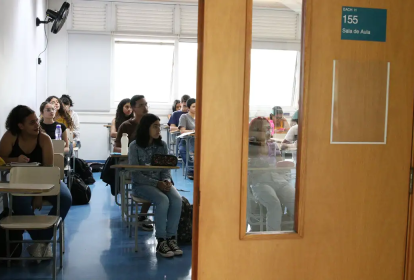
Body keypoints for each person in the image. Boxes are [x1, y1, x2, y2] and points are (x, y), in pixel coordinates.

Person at [0, 105, 72, 258]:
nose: (37, 125)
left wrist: (39, 194)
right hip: (20, 183)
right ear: (20, 126)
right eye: (31, 122)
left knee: (66, 198)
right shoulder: (10, 137)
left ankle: (41, 241)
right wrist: (15, 159)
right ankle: (43, 241)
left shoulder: (44, 139)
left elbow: (48, 170)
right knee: (20, 204)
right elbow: (1, 160)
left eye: (36, 121)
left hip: (45, 179)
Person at [128, 114, 182, 258]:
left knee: (177, 200)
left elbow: (165, 169)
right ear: (146, 127)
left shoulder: (162, 145)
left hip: (160, 183)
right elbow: (136, 174)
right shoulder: (134, 146)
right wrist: (156, 183)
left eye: (159, 126)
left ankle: (171, 238)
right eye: (155, 126)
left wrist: (166, 181)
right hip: (142, 185)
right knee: (162, 200)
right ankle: (161, 240)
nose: (159, 129)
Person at [248, 117, 295, 232]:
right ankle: (274, 235)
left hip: (277, 179)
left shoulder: (272, 145)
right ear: (256, 130)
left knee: (295, 201)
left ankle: (297, 233)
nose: (268, 131)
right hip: (259, 181)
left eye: (269, 128)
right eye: (265, 129)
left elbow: (279, 162)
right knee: (274, 204)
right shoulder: (250, 146)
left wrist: (287, 163)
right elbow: (249, 167)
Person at [113, 95, 152, 230]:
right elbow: (116, 147)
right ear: (134, 108)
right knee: (149, 179)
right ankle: (142, 213)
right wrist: (131, 151)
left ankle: (143, 214)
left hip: (149, 165)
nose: (145, 108)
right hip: (131, 163)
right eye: (141, 105)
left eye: (146, 104)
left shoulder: (151, 124)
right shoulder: (126, 125)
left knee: (159, 179)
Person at [178, 98, 196, 180]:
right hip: (186, 142)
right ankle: (191, 170)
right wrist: (194, 131)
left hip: (197, 141)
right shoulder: (184, 116)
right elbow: (182, 130)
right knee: (183, 150)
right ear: (188, 108)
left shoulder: (200, 117)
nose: (196, 108)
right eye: (193, 106)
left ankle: (195, 169)